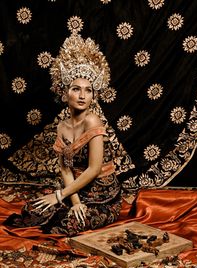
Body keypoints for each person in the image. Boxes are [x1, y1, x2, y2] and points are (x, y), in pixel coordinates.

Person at [4, 29, 122, 236]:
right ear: (64, 93)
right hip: (76, 189)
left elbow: (94, 169)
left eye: (88, 90)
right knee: (32, 211)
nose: (82, 95)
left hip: (103, 193)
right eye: (76, 89)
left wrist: (59, 196)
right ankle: (69, 206)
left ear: (94, 95)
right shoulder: (62, 126)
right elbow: (65, 170)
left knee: (69, 224)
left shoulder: (92, 120)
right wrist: (73, 201)